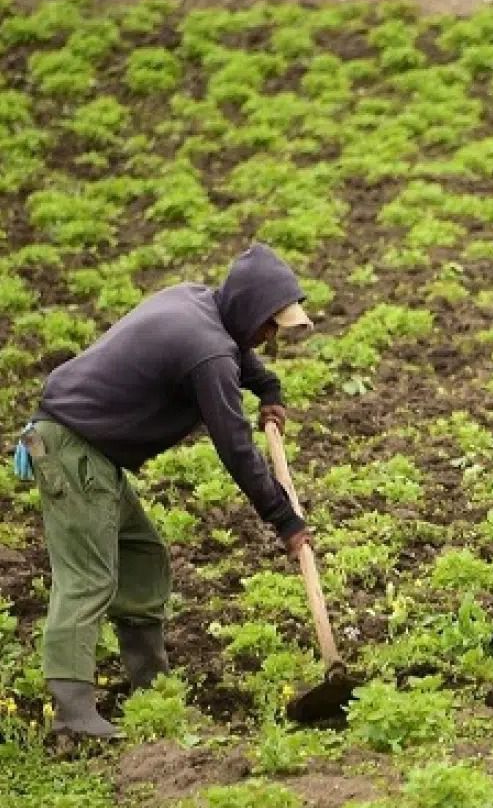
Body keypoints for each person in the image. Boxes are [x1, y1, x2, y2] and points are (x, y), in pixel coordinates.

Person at [12, 243, 314, 738]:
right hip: (72, 448)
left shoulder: (198, 301)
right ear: (247, 309)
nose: (268, 336)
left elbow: (238, 354)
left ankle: (150, 688)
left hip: (91, 448)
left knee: (142, 556)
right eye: (268, 325)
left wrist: (269, 389)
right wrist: (285, 519)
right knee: (88, 578)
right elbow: (236, 447)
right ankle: (73, 714)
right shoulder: (209, 352)